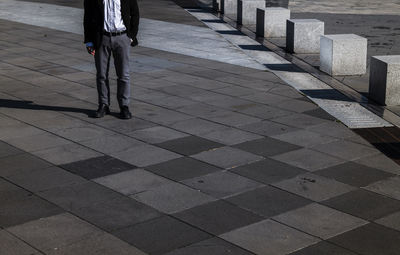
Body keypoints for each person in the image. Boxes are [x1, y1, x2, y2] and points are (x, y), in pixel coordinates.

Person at [83, 0, 139, 119]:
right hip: (102, 38)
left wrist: (132, 36)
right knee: (102, 75)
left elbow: (135, 13)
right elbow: (87, 16)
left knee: (124, 74)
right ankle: (103, 105)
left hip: (122, 37)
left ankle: (124, 106)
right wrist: (88, 41)